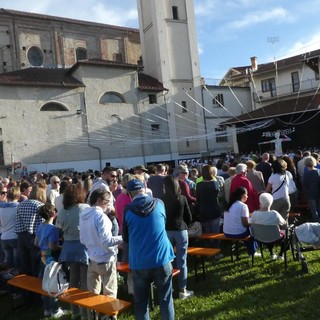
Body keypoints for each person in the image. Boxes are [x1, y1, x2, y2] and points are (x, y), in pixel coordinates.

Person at [122, 179, 175, 320]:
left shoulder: (127, 210)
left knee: (141, 303)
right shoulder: (159, 203)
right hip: (161, 258)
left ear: (130, 194)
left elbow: (126, 238)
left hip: (139, 262)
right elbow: (162, 223)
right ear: (145, 188)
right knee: (165, 299)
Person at [79, 189, 122, 302]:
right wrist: (124, 237)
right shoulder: (101, 217)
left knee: (92, 294)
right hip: (105, 259)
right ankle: (109, 317)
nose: (109, 205)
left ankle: (92, 316)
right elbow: (107, 241)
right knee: (110, 294)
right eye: (108, 202)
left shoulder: (83, 215)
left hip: (92, 258)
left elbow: (82, 239)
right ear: (99, 200)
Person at [56, 183, 90, 320]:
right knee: (85, 281)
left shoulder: (61, 211)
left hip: (68, 247)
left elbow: (59, 229)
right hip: (82, 246)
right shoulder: (85, 208)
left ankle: (75, 311)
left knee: (73, 280)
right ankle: (85, 313)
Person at [163, 175, 193, 300]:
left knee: (168, 260)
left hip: (167, 230)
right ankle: (182, 289)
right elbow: (188, 216)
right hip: (181, 229)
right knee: (182, 260)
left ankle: (170, 287)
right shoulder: (182, 198)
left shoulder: (161, 199)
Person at [34, 203, 66, 318]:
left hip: (42, 255)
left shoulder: (40, 226)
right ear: (53, 213)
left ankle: (46, 309)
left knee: (44, 281)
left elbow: (36, 243)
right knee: (53, 282)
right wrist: (63, 246)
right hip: (51, 257)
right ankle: (55, 310)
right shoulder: (53, 229)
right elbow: (52, 246)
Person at [15, 184, 47, 277]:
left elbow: (18, 221)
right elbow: (43, 224)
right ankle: (34, 288)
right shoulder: (39, 205)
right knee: (35, 265)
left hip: (21, 236)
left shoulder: (21, 204)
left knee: (25, 264)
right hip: (34, 237)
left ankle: (25, 288)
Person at [223, 187, 259, 256]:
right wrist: (253, 223)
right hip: (237, 233)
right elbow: (245, 224)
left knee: (250, 230)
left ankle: (250, 248)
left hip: (226, 232)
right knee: (253, 230)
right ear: (242, 195)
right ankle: (252, 251)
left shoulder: (229, 204)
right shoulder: (243, 206)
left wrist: (252, 215)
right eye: (246, 194)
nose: (247, 197)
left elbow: (238, 215)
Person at [251, 193, 287, 260]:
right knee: (286, 234)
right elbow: (283, 223)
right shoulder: (274, 214)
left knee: (266, 232)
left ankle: (272, 253)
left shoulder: (255, 214)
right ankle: (281, 254)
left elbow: (251, 222)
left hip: (260, 237)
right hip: (275, 237)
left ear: (260, 202)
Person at [195, 165, 222, 253]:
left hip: (204, 209)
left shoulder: (199, 185)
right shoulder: (215, 183)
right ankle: (216, 249)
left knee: (206, 231)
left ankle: (209, 249)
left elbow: (197, 198)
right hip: (214, 208)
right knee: (215, 231)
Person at [0, 187, 20, 268]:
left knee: (8, 264)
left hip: (4, 237)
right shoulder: (19, 207)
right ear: (18, 196)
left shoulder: (1, 208)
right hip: (15, 237)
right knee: (16, 264)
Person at [303, 156, 320, 222]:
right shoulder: (318, 171)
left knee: (313, 209)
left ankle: (317, 221)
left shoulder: (306, 174)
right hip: (318, 191)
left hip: (310, 193)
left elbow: (305, 185)